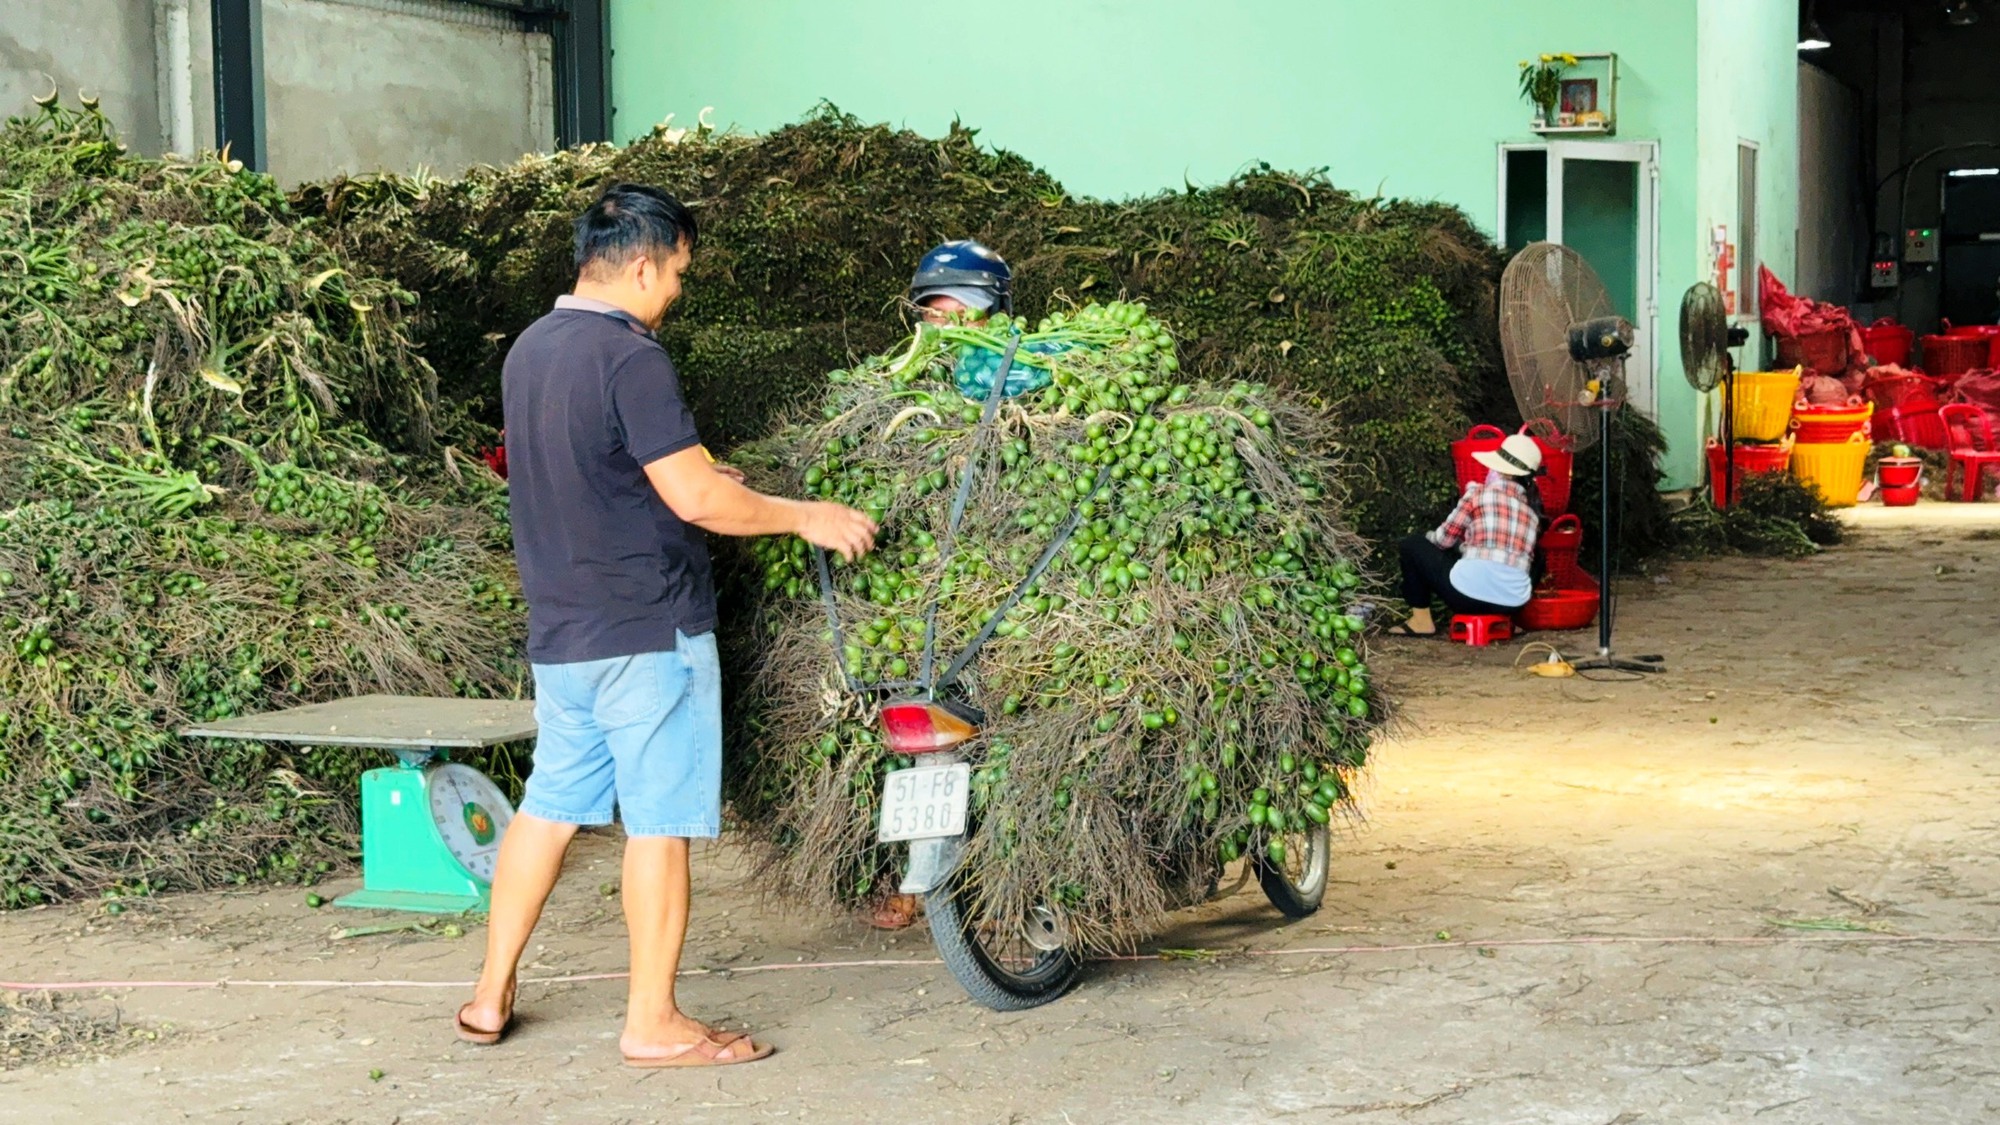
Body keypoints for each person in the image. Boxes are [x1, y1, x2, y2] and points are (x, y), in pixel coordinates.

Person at [454, 183, 878, 1068]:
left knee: (548, 808)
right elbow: (695, 500)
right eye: (679, 271)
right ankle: (651, 1020)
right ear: (643, 266)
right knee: (658, 824)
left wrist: (700, 476)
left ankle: (489, 993)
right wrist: (806, 515)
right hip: (647, 630)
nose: (678, 290)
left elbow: (597, 469)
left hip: (563, 632)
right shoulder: (630, 356)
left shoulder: (532, 349)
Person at [859, 240, 1011, 934]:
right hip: (920, 589)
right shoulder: (896, 389)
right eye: (933, 311)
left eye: (961, 310)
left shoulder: (1020, 373)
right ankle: (901, 875)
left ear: (994, 313)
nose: (945, 323)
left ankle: (1003, 875)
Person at [1387, 432, 1544, 637]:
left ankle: (1421, 621)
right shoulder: (1532, 515)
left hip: (1466, 598)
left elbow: (1443, 540)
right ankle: (1511, 621)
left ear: (1500, 469)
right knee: (1538, 555)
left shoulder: (1477, 494)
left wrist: (1430, 538)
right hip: (1512, 604)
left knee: (1412, 545)